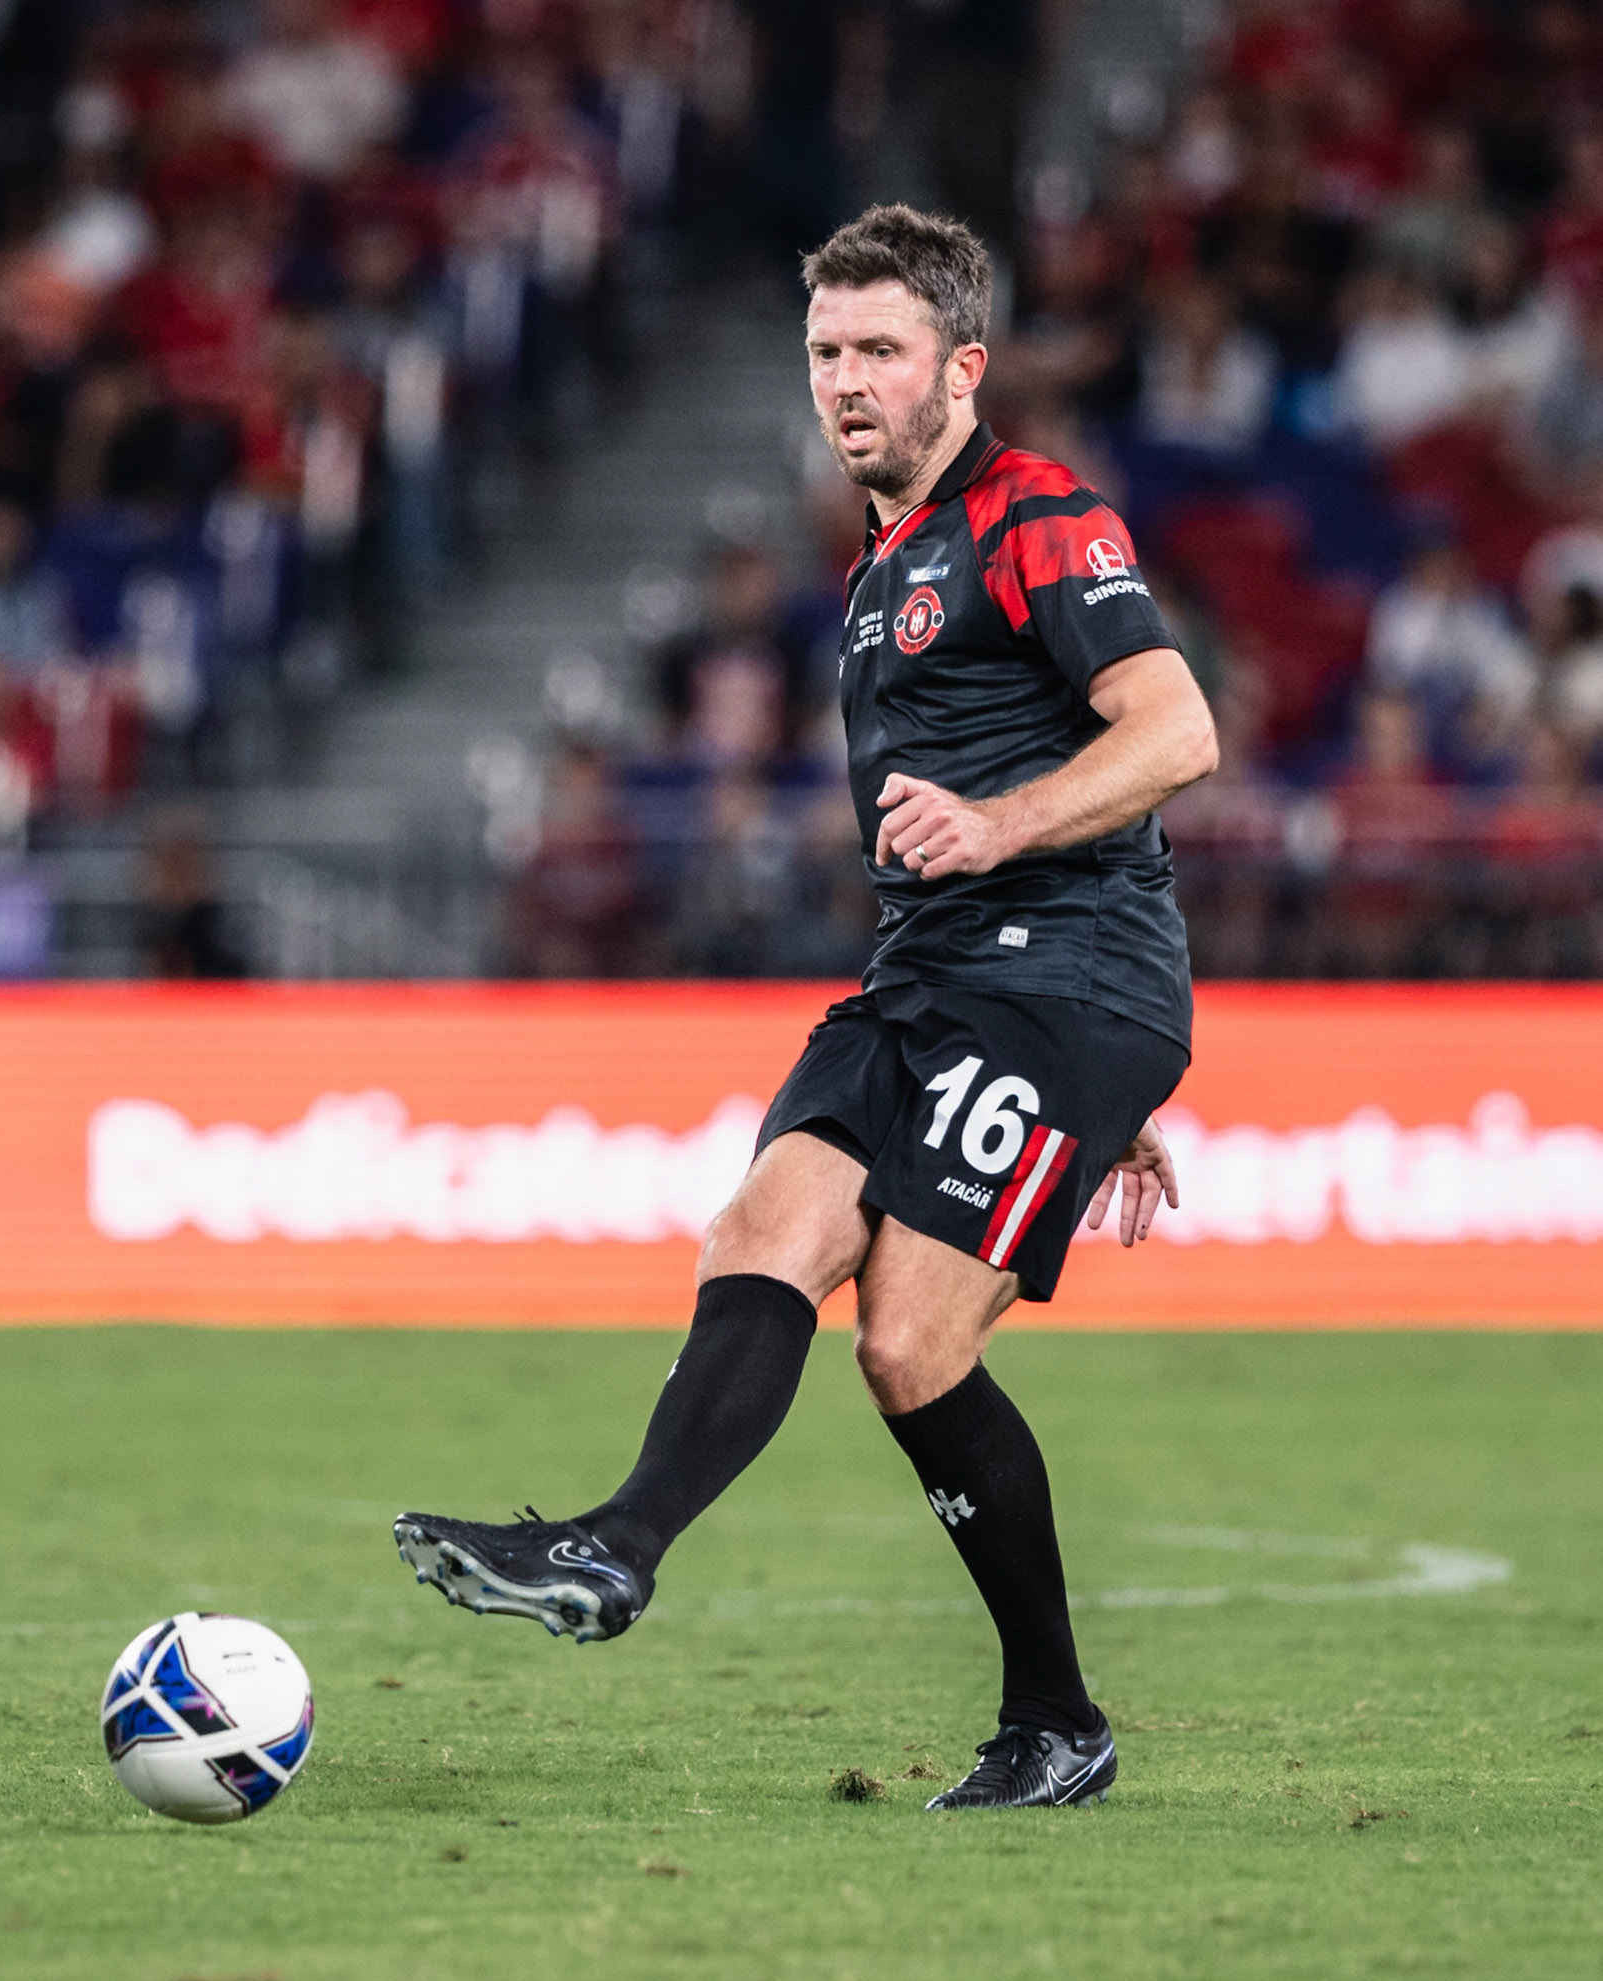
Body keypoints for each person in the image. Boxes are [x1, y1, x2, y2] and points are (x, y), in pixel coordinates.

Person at [395, 205, 1218, 1813]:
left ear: (959, 367)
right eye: (824, 352)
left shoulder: (1037, 516)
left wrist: (1007, 845)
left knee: (908, 1348)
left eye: (877, 352)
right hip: (929, 980)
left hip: (1060, 974)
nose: (843, 381)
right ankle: (612, 1547)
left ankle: (1057, 1721)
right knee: (759, 1228)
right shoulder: (878, 562)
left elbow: (1175, 729)